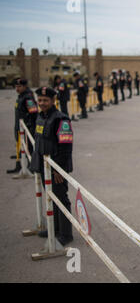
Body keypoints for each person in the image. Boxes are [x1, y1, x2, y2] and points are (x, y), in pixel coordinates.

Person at [30, 87, 73, 246]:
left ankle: (66, 233)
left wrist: (58, 169)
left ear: (53, 100)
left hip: (56, 168)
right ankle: (53, 228)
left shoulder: (61, 119)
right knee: (50, 196)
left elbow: (66, 147)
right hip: (44, 166)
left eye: (45, 100)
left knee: (61, 199)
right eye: (40, 100)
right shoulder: (41, 116)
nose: (42, 103)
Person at [7, 78, 38, 174]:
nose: (17, 88)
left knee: (28, 147)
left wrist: (29, 125)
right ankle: (21, 164)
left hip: (26, 127)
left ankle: (29, 166)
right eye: (16, 86)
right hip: (19, 125)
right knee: (21, 145)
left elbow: (33, 112)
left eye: (19, 86)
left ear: (25, 86)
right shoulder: (21, 96)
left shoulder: (27, 97)